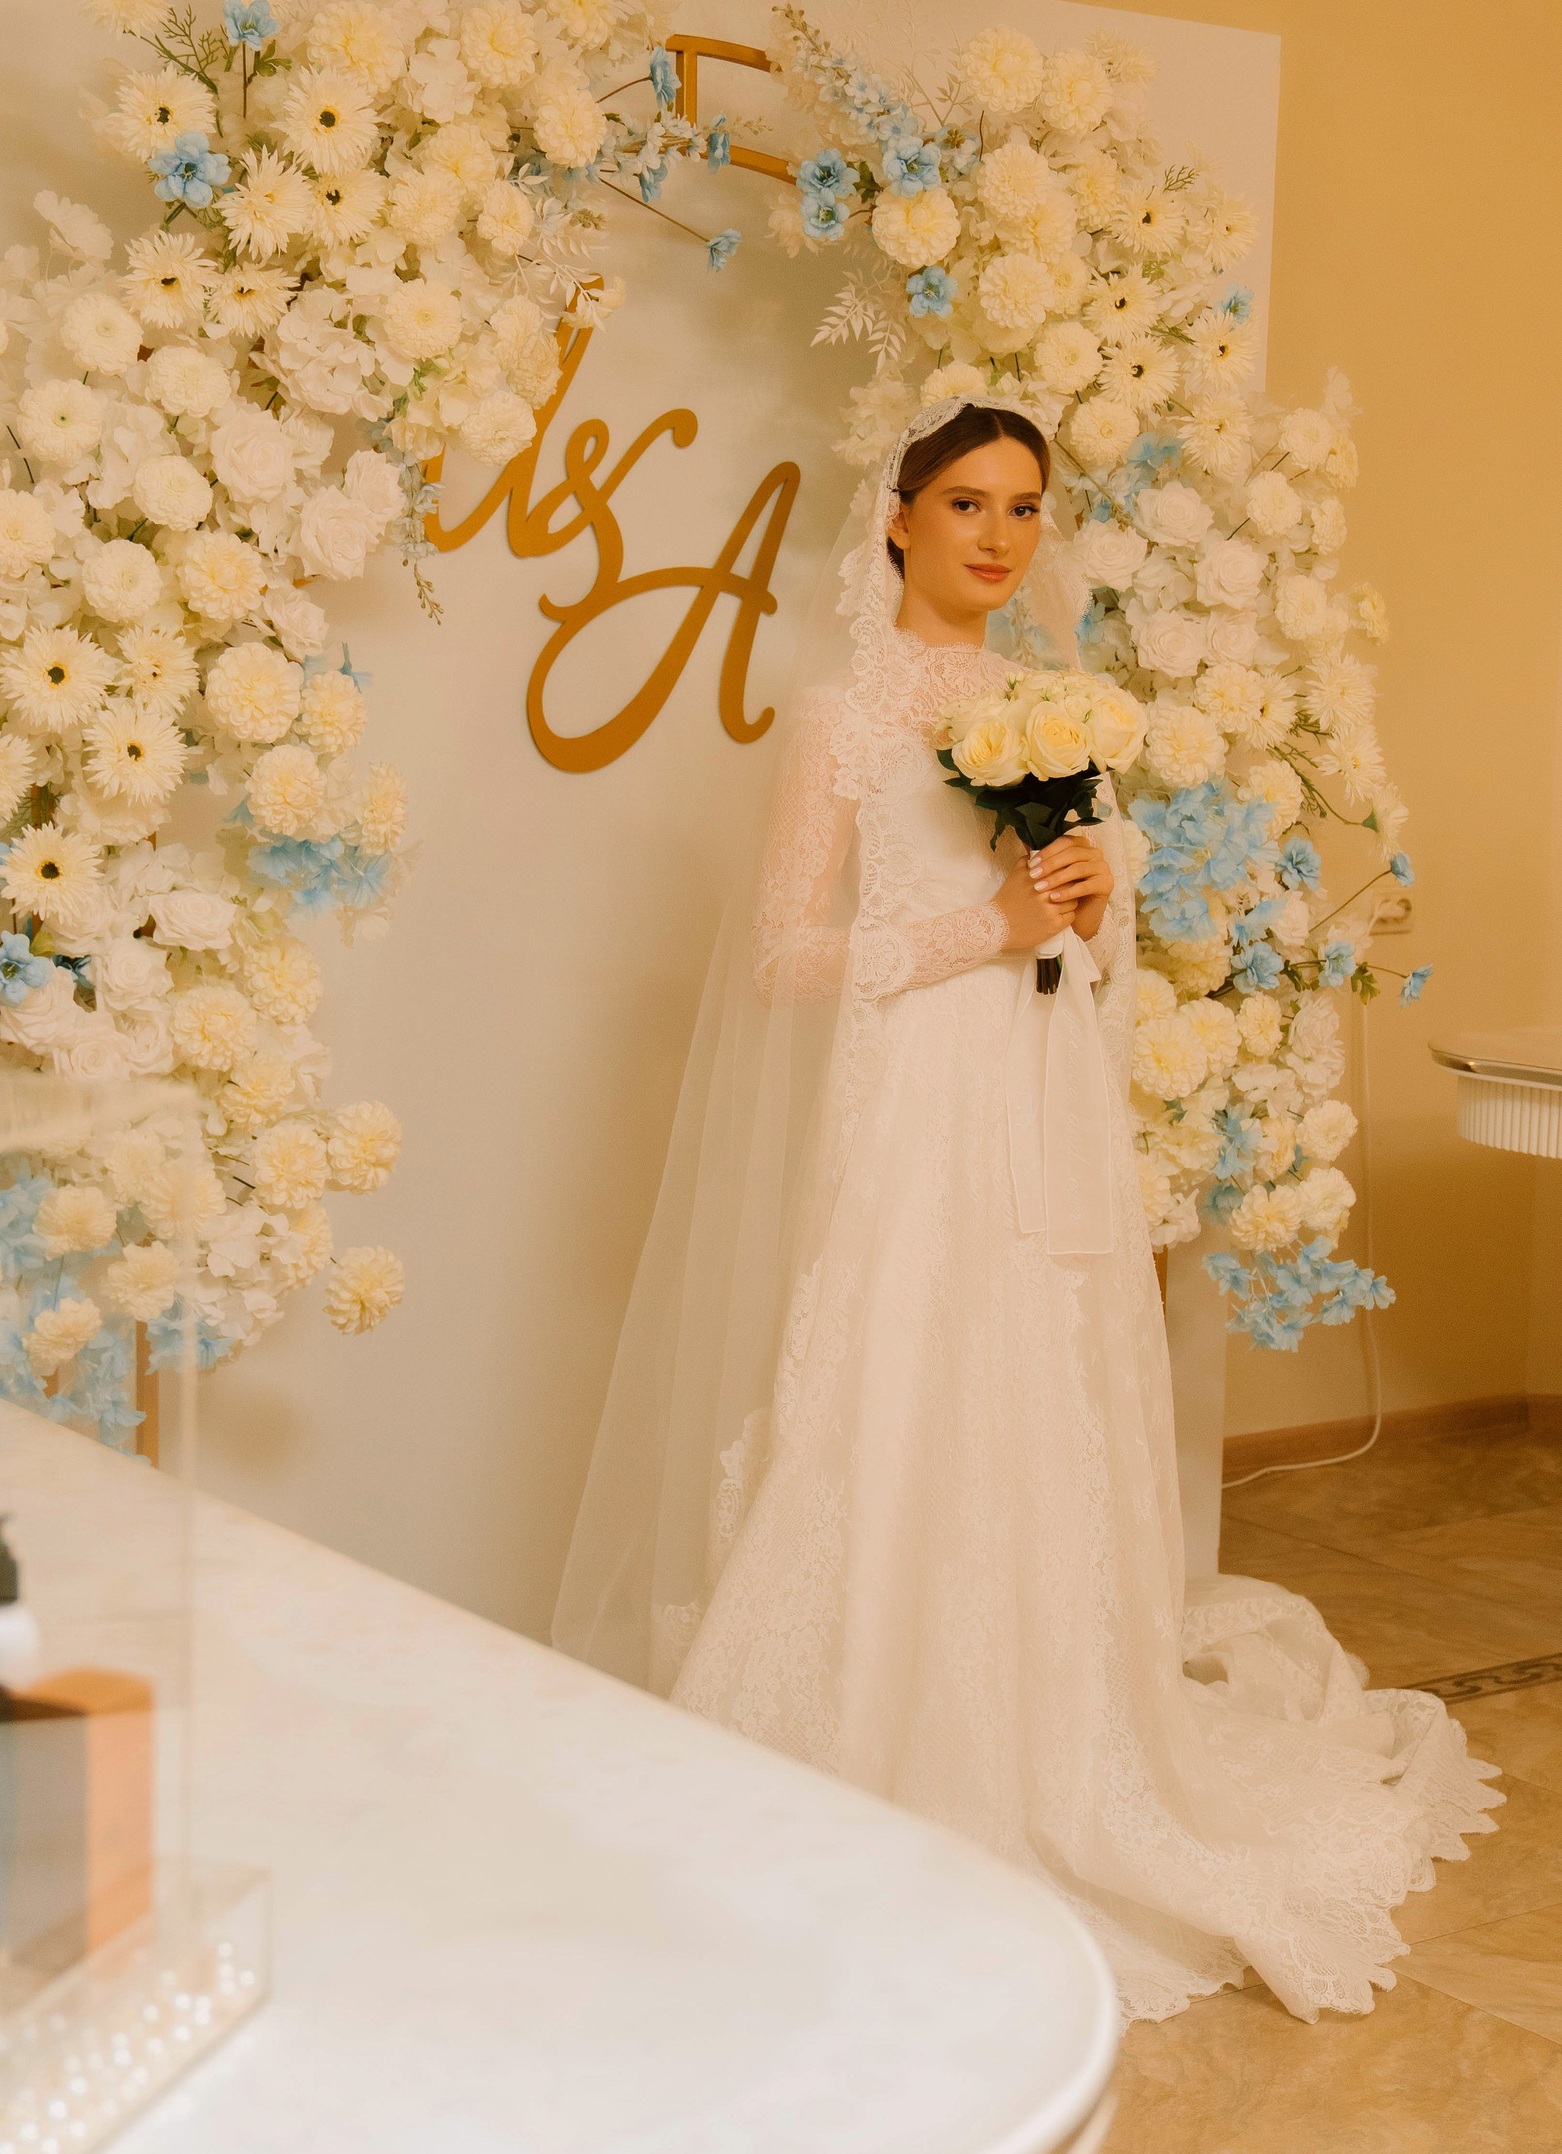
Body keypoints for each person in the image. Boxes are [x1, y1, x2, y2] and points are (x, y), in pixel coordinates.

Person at [553, 391, 1500, 2026]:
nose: (999, 536)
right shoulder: (840, 715)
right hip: (911, 1116)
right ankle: (877, 1736)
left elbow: (1091, 950)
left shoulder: (1055, 706)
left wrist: (1087, 903)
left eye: (1023, 508)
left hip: (1043, 1107)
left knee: (1044, 1388)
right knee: (894, 1382)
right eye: (967, 503)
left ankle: (1063, 1738)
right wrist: (980, 930)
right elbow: (783, 959)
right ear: (898, 517)